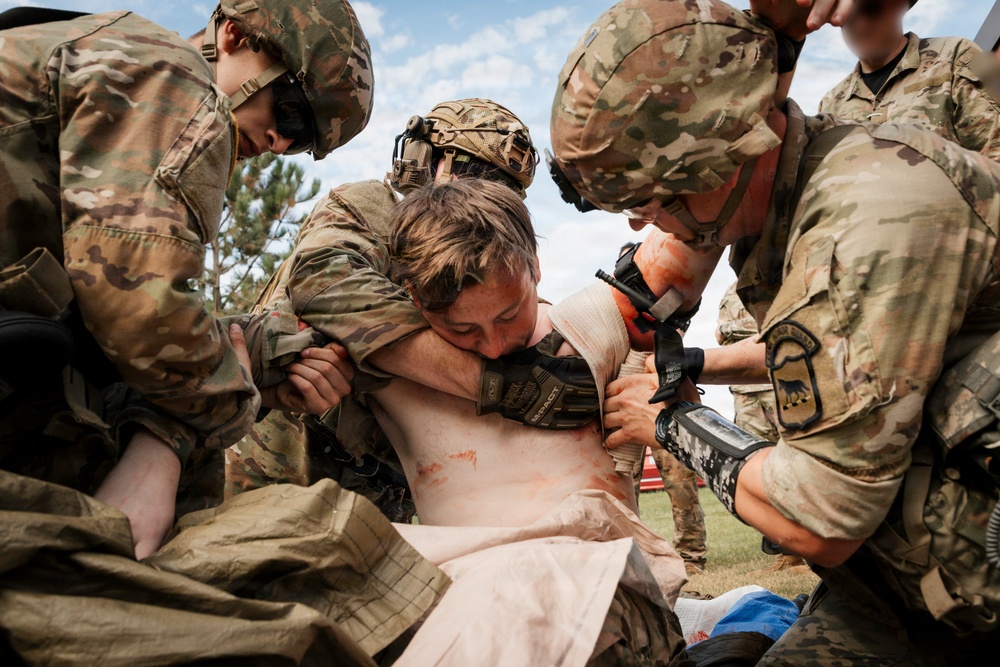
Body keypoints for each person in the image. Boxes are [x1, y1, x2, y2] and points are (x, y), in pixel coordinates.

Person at [549, 0, 1000, 662]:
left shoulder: (865, 223)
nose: (644, 225)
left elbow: (822, 517)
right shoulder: (797, 198)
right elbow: (844, 355)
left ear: (716, 161)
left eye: (654, 200)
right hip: (895, 588)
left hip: (966, 596)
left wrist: (672, 423)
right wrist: (697, 362)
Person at [0, 0, 373, 558]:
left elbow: (107, 302)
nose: (278, 143)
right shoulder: (172, 73)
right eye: (291, 112)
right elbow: (143, 313)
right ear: (231, 36)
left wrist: (265, 356)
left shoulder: (109, 52)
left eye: (301, 140)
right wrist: (228, 402)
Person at [370, 179, 699, 666]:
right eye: (462, 329)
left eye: (509, 315)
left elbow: (699, 227)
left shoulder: (593, 332)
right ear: (417, 301)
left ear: (536, 268)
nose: (494, 347)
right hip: (463, 602)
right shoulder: (387, 363)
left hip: (600, 596)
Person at [227, 99, 602, 521]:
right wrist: (491, 383)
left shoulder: (491, 251)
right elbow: (323, 281)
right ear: (426, 161)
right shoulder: (371, 207)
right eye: (476, 176)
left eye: (501, 189)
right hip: (286, 466)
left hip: (383, 496)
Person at [819, 0, 1000, 160]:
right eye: (847, 16)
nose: (861, 24)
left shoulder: (954, 58)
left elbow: (995, 154)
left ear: (897, 6)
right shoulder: (831, 103)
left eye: (871, 8)